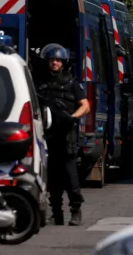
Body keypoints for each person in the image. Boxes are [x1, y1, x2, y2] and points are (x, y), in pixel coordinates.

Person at [37, 44, 90, 226]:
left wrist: (72, 118)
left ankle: (76, 210)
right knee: (52, 179)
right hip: (48, 136)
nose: (55, 63)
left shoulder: (71, 84)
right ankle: (56, 213)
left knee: (70, 177)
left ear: (63, 62)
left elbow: (85, 105)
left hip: (66, 136)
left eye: (58, 60)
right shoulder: (41, 84)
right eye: (52, 60)